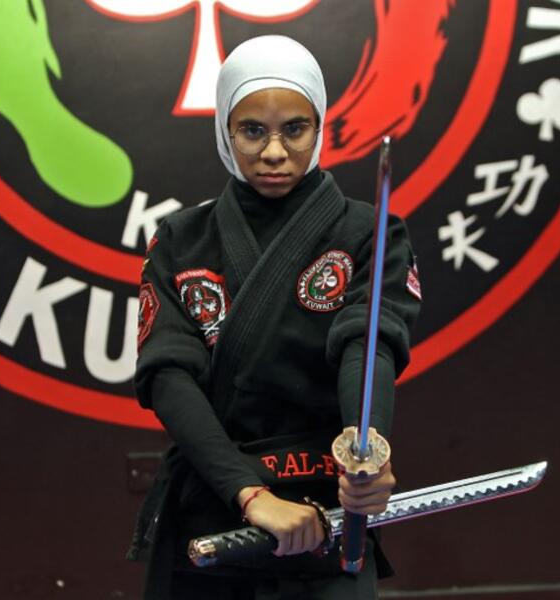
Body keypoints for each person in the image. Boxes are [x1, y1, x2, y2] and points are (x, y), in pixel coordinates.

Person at [128, 35, 422, 600]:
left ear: (319, 126)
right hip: (215, 503)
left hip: (324, 509)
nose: (273, 152)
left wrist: (368, 453)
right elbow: (166, 375)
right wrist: (250, 495)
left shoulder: (367, 233)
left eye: (295, 128)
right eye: (252, 130)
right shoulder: (180, 238)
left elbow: (368, 344)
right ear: (224, 130)